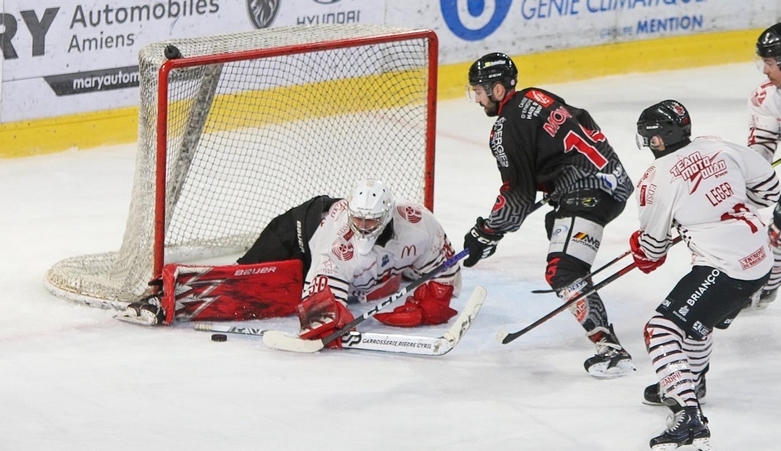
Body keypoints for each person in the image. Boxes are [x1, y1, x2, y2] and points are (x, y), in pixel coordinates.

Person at [462, 52, 636, 378]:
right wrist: (563, 183)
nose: (477, 99)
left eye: (479, 90)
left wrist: (486, 233)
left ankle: (611, 351)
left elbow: (518, 196)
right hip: (614, 180)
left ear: (498, 90)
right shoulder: (537, 96)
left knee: (563, 272)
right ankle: (575, 259)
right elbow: (582, 123)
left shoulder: (505, 129)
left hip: (588, 194)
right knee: (555, 228)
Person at [120, 180, 462, 344]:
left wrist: (433, 302)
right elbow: (318, 307)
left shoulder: (419, 224)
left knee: (289, 293)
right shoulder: (338, 240)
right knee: (247, 281)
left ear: (387, 215)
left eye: (371, 221)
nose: (363, 226)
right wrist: (329, 323)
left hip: (333, 253)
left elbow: (443, 265)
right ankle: (161, 299)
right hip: (298, 233)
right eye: (358, 219)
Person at [632, 100, 779, 450]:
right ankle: (692, 381)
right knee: (698, 322)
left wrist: (645, 245)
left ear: (657, 140)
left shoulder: (655, 180)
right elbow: (770, 191)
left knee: (661, 328)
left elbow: (652, 253)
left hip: (726, 268)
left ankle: (688, 414)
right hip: (760, 260)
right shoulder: (717, 144)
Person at [747, 22, 781, 309]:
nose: (765, 70)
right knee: (778, 231)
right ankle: (768, 285)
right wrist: (753, 179)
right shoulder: (766, 97)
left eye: (769, 63)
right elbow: (763, 142)